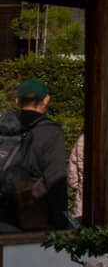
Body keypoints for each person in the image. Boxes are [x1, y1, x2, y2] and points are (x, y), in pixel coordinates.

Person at [0, 77, 69, 232]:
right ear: (46, 99)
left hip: (3, 213)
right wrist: (60, 224)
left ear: (18, 101)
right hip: (32, 216)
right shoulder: (51, 132)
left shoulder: (3, 125)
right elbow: (56, 180)